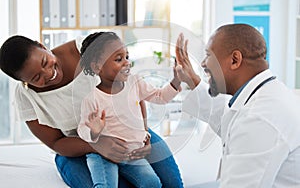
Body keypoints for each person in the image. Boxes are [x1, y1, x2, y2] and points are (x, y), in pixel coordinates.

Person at [0, 34, 184, 188]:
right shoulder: (26, 97)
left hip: (127, 131)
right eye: (36, 77)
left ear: (42, 46)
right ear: (24, 81)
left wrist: (143, 131)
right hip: (77, 150)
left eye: (44, 61)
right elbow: (56, 142)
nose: (49, 74)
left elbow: (130, 88)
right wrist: (97, 144)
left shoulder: (85, 49)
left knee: (170, 184)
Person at [175, 24, 300, 187]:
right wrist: (192, 79)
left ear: (235, 60)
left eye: (208, 55)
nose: (203, 63)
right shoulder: (265, 95)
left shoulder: (259, 118)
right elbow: (227, 116)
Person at [77, 31, 181, 187]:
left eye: (127, 56)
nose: (126, 63)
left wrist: (177, 80)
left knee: (153, 184)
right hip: (103, 156)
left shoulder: (135, 82)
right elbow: (82, 129)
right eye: (118, 59)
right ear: (97, 67)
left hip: (132, 155)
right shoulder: (92, 99)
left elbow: (160, 96)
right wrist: (94, 132)